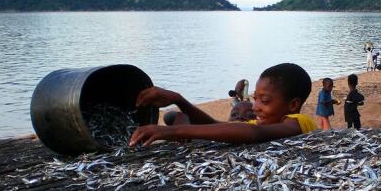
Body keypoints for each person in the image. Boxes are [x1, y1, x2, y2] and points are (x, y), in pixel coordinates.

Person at [129, 63, 317, 146]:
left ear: (293, 105)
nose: (255, 107)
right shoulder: (263, 124)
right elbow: (217, 127)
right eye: (255, 98)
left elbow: (254, 134)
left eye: (265, 101)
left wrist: (174, 131)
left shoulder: (298, 122)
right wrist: (180, 100)